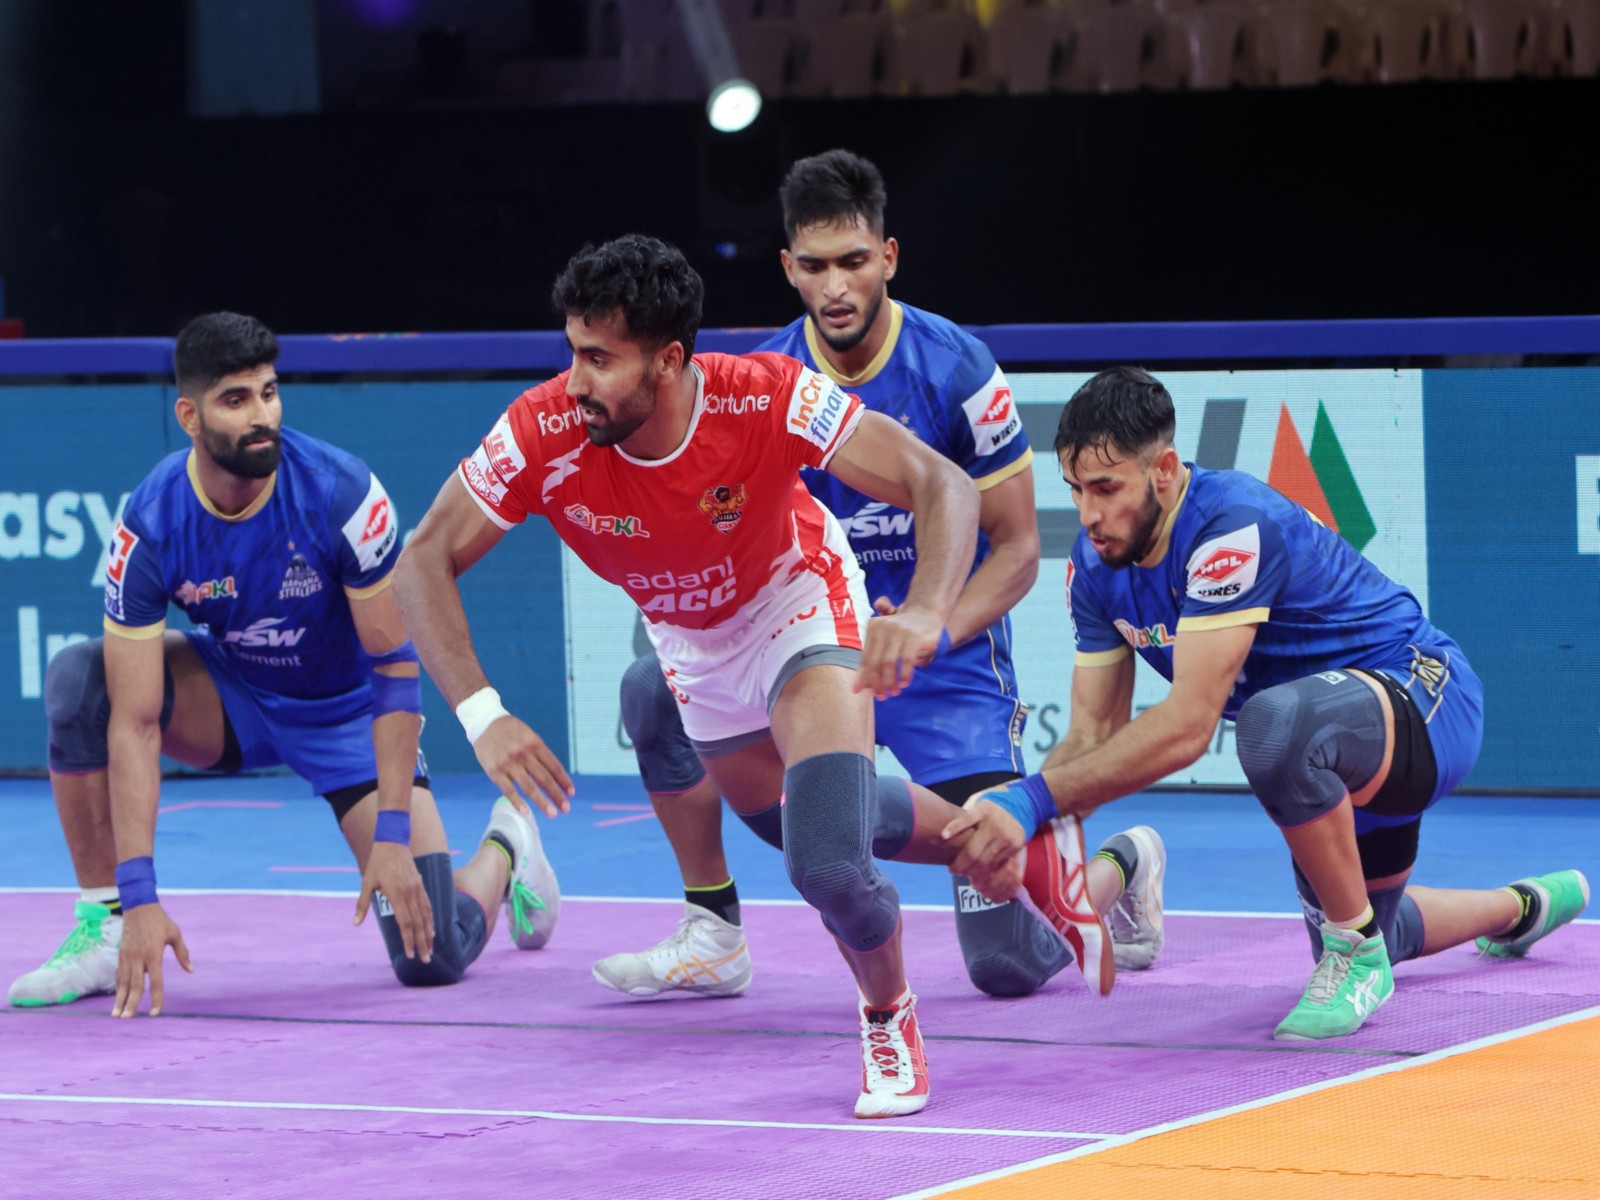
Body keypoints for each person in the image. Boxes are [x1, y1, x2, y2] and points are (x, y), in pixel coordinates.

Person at [393, 235, 1108, 1119]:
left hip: (796, 604)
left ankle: (888, 1016)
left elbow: (942, 484)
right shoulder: (543, 429)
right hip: (693, 644)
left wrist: (926, 610)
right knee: (792, 824)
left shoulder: (764, 395)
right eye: (572, 352)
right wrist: (482, 713)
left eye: (599, 359)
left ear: (669, 361)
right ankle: (1027, 850)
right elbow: (423, 559)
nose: (575, 380)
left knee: (830, 863)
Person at [599, 148, 1167, 1004]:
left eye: (854, 261)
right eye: (815, 266)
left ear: (889, 258)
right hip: (812, 659)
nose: (836, 287)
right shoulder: (761, 384)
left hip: (946, 668)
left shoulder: (958, 370)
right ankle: (713, 927)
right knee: (652, 689)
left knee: (1007, 963)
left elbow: (1017, 548)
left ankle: (1125, 863)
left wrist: (932, 627)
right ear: (788, 268)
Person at [945, 366, 1590, 1041]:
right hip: (1326, 749)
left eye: (1107, 488)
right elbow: (1092, 736)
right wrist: (1033, 836)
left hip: (1423, 703)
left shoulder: (1230, 526)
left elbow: (1189, 728)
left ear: (1162, 470)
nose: (1088, 514)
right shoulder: (1096, 567)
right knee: (1380, 921)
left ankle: (1354, 952)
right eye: (1075, 490)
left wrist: (1028, 801)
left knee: (1271, 728)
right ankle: (1520, 907)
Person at [7, 312, 560, 1018]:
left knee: (431, 957)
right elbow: (136, 720)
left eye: (269, 393)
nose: (261, 415)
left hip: (349, 716)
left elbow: (395, 668)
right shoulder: (151, 523)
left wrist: (392, 836)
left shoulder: (340, 494)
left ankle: (507, 847)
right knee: (79, 680)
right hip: (235, 695)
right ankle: (104, 925)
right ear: (189, 416)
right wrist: (140, 898)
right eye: (236, 400)